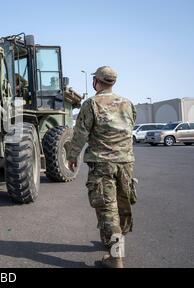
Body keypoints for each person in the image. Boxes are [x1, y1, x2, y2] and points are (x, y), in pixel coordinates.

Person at [67, 66, 137, 268]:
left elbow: (80, 133)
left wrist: (72, 156)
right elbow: (130, 125)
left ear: (96, 82)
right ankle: (114, 244)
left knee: (108, 210)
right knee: (123, 206)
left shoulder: (91, 104)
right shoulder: (128, 103)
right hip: (125, 163)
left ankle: (116, 258)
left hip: (102, 164)